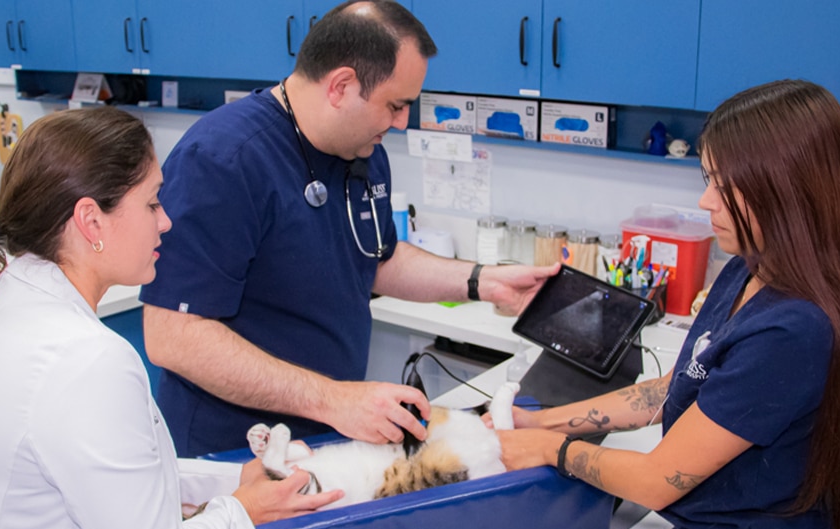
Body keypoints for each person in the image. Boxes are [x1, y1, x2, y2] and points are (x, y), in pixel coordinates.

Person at [0, 106, 341, 529]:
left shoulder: (8, 302)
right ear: (91, 221)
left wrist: (228, 482)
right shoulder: (84, 360)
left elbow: (113, 476)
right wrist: (243, 511)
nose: (166, 221)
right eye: (152, 203)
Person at [493, 79, 840, 529]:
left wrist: (548, 448)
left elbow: (658, 479)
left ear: (786, 188)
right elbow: (680, 388)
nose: (705, 202)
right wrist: (538, 418)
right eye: (708, 178)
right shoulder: (747, 269)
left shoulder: (794, 329)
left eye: (725, 185)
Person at [140, 0, 558, 457]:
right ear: (341, 86)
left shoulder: (361, 147)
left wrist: (484, 281)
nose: (401, 122)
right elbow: (172, 336)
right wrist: (333, 398)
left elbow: (376, 258)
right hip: (233, 453)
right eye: (395, 105)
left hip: (327, 436)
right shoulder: (224, 159)